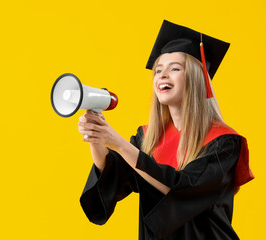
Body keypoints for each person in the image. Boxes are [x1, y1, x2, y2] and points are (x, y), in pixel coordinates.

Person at [78, 20, 254, 240]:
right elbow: (114, 174)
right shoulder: (148, 138)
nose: (162, 75)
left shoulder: (223, 142)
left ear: (196, 78)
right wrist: (96, 136)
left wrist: (118, 143)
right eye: (158, 70)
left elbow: (181, 188)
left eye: (175, 68)